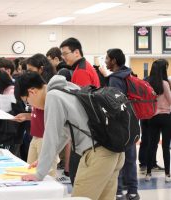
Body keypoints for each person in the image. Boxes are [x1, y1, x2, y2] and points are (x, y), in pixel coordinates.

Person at [17, 72, 124, 200]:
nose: (31, 106)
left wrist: (39, 173)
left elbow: (51, 136)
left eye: (27, 101)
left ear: (32, 91)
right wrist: (44, 160)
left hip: (97, 155)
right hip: (113, 151)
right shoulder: (69, 88)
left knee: (80, 197)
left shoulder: (52, 97)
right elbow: (63, 134)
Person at [60, 37, 100, 184]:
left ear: (76, 52)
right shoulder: (81, 67)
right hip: (87, 129)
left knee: (77, 177)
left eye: (66, 54)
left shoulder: (81, 71)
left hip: (84, 130)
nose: (64, 58)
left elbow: (80, 104)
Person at [104, 48, 140, 200]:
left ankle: (118, 191)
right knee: (130, 159)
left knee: (117, 159)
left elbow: (116, 104)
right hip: (133, 122)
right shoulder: (128, 74)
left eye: (107, 58)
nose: (105, 61)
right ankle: (133, 191)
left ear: (113, 60)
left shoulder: (114, 79)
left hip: (120, 125)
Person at [146, 59, 171, 183]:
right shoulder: (165, 83)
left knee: (152, 145)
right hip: (165, 117)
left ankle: (148, 173)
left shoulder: (149, 83)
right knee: (165, 146)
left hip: (152, 118)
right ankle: (167, 175)